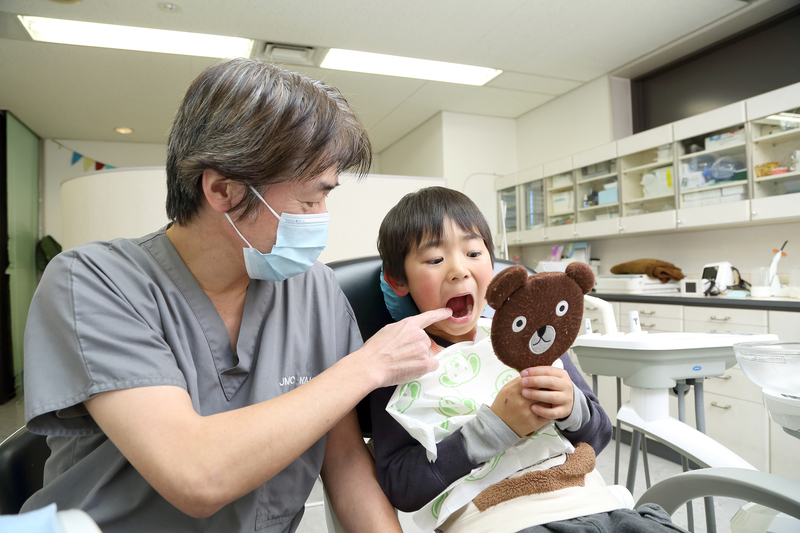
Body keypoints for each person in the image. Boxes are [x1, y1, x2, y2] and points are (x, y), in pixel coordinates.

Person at [20, 59, 451, 533]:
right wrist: (369, 365)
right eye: (309, 201)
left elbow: (346, 461)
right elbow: (197, 475)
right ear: (223, 190)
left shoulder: (315, 290)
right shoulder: (93, 282)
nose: (321, 216)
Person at [372, 187, 687, 532]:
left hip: (597, 505)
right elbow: (400, 487)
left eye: (474, 252)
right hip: (500, 520)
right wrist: (491, 431)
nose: (459, 270)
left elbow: (598, 435)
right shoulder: (395, 365)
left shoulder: (530, 335)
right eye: (435, 260)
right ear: (397, 280)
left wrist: (570, 407)